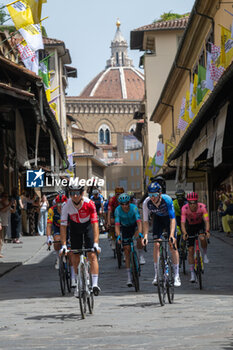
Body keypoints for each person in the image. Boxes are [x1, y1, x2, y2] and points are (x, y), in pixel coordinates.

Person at [60, 185, 101, 297]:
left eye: (77, 193)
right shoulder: (66, 205)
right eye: (72, 193)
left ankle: (95, 285)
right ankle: (79, 283)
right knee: (75, 254)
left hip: (88, 226)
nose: (75, 196)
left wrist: (96, 243)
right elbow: (63, 226)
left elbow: (95, 224)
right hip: (75, 227)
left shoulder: (89, 203)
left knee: (92, 254)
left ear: (82, 193)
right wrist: (63, 245)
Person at [142, 182, 181, 287]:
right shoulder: (146, 203)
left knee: (172, 245)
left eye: (154, 195)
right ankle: (156, 274)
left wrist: (172, 235)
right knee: (156, 244)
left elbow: (173, 219)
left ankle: (176, 275)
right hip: (158, 219)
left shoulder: (167, 200)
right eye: (150, 195)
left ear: (159, 193)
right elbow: (145, 221)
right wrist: (145, 236)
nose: (152, 198)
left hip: (169, 220)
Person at [115, 193, 144, 286]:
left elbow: (139, 222)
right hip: (125, 228)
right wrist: (118, 235)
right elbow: (117, 225)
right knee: (127, 251)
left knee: (139, 239)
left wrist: (140, 233)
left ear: (129, 202)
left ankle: (140, 255)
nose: (125, 206)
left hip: (134, 226)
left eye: (126, 203)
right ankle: (128, 277)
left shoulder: (134, 208)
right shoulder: (117, 210)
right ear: (120, 204)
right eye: (122, 204)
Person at [181, 192, 210, 283]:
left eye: (194, 202)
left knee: (202, 238)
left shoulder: (202, 207)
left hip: (200, 225)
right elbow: (182, 223)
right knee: (190, 250)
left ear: (197, 202)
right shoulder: (184, 209)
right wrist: (185, 233)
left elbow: (206, 221)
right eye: (190, 203)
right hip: (190, 227)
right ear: (188, 203)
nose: (192, 205)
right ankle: (192, 273)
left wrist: (207, 231)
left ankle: (204, 254)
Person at [46, 194, 69, 270]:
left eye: (62, 203)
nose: (60, 206)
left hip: (68, 227)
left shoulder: (69, 209)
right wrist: (48, 238)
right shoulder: (51, 210)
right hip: (57, 228)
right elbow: (49, 225)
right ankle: (58, 258)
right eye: (58, 203)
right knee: (57, 241)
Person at [107, 187, 124, 252]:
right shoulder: (112, 200)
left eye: (120, 194)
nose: (119, 196)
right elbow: (109, 212)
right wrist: (108, 222)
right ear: (115, 194)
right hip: (114, 214)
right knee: (111, 224)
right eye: (117, 194)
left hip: (123, 214)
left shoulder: (124, 199)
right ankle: (113, 240)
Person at [0, 192, 11, 256]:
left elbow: (11, 210)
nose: (7, 198)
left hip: (4, 221)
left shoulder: (5, 203)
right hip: (2, 221)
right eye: (5, 197)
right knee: (0, 238)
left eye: (7, 197)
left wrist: (13, 206)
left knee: (2, 238)